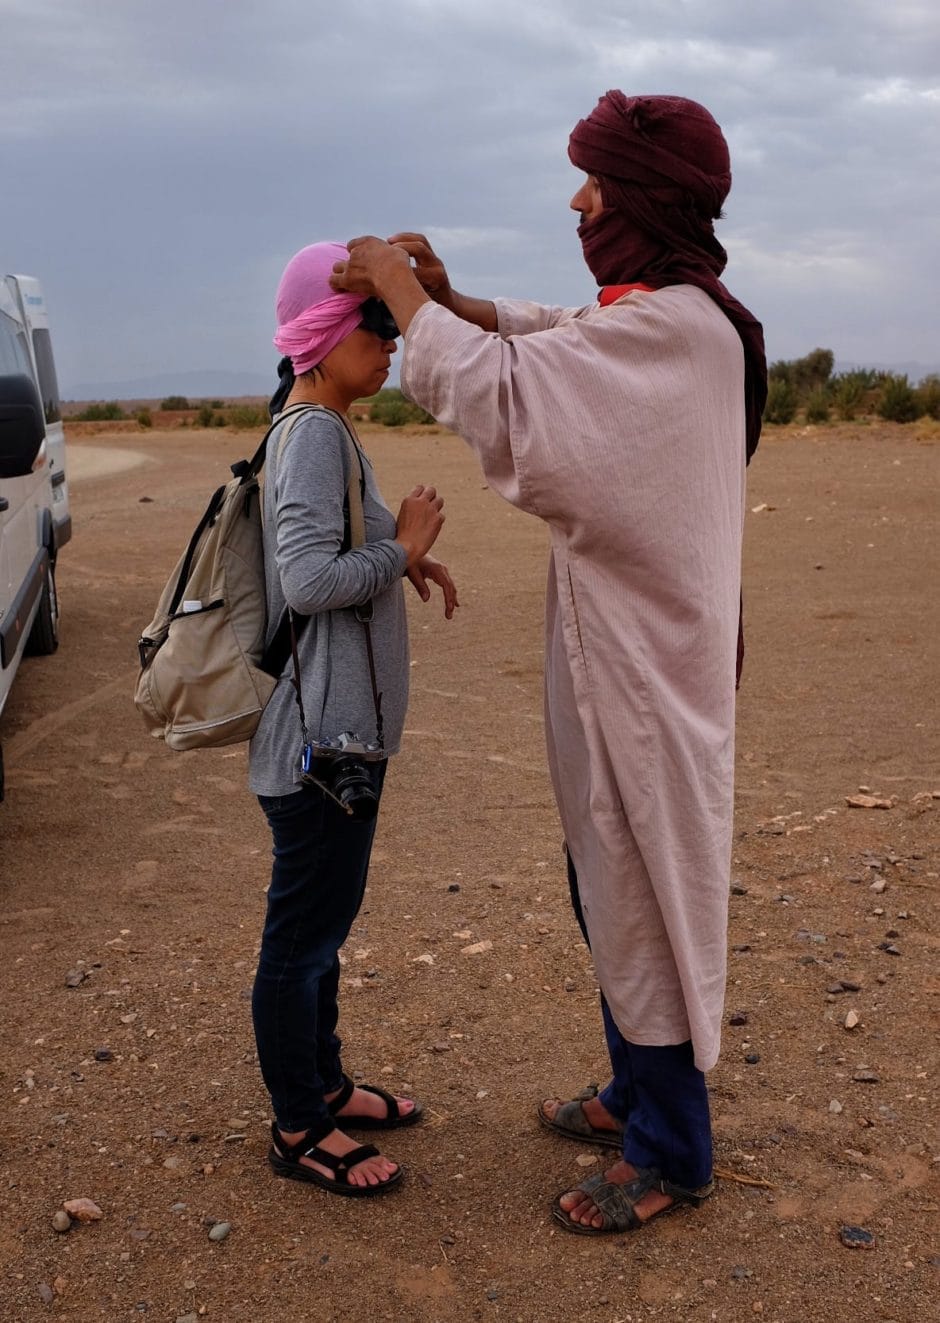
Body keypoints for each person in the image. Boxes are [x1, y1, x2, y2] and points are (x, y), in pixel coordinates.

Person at [330, 92, 767, 1232]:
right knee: (606, 877)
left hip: (644, 672)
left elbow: (517, 391)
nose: (579, 204)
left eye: (597, 185)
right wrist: (449, 295)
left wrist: (400, 292)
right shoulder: (668, 317)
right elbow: (560, 337)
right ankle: (634, 1095)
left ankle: (672, 1151)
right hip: (622, 657)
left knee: (639, 885)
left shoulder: (675, 328)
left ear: (647, 199)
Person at [249, 241, 457, 1197]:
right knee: (301, 939)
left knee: (324, 931)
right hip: (319, 746)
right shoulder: (316, 432)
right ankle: (299, 1126)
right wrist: (401, 544)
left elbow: (335, 554)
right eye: (377, 325)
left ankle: (324, 1086)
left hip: (340, 738)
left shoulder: (321, 422)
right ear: (329, 336)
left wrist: (402, 558)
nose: (391, 343)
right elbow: (307, 578)